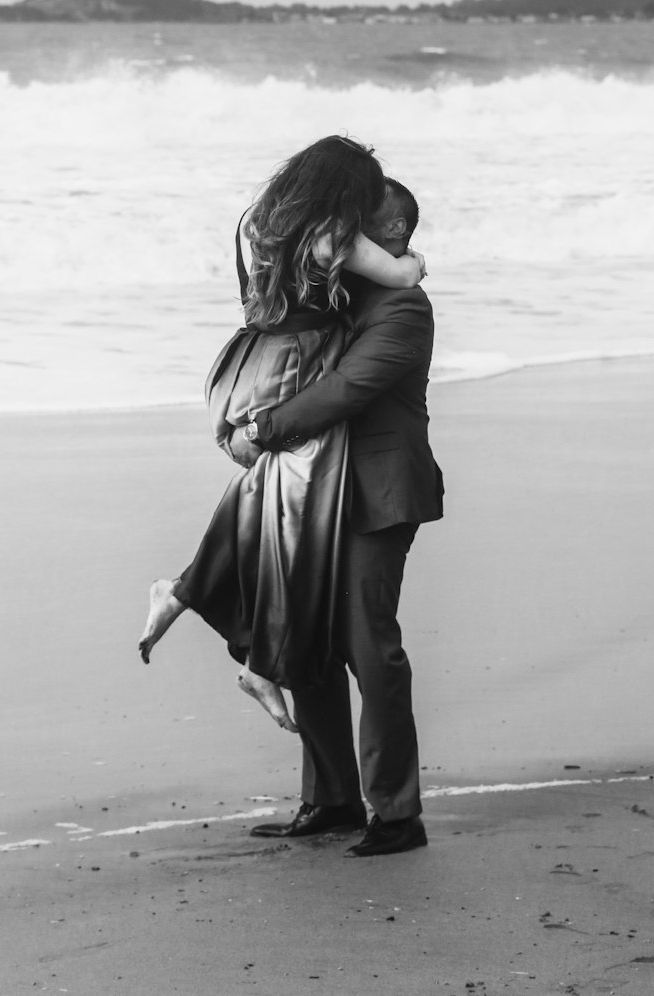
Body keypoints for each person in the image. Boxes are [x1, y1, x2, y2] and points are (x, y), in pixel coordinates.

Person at [136, 136, 426, 738]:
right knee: (283, 497)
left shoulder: (264, 224)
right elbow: (394, 280)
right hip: (286, 377)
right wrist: (411, 263)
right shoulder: (336, 239)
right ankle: (239, 640)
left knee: (270, 505)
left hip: (245, 367)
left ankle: (208, 612)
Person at [230, 177, 444, 857]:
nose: (342, 229)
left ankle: (398, 813)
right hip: (317, 489)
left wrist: (261, 428)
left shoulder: (405, 308)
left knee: (367, 646)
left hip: (379, 494)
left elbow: (345, 390)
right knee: (311, 643)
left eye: (360, 221)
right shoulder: (337, 296)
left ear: (394, 235)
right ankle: (330, 797)